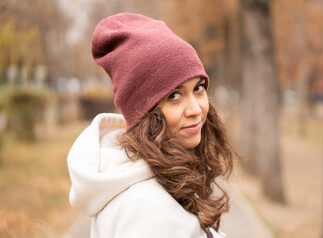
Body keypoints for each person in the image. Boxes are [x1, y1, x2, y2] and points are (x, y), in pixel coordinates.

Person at [67, 13, 239, 238]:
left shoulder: (159, 177)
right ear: (144, 113)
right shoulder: (149, 211)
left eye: (198, 88)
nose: (195, 109)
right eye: (175, 96)